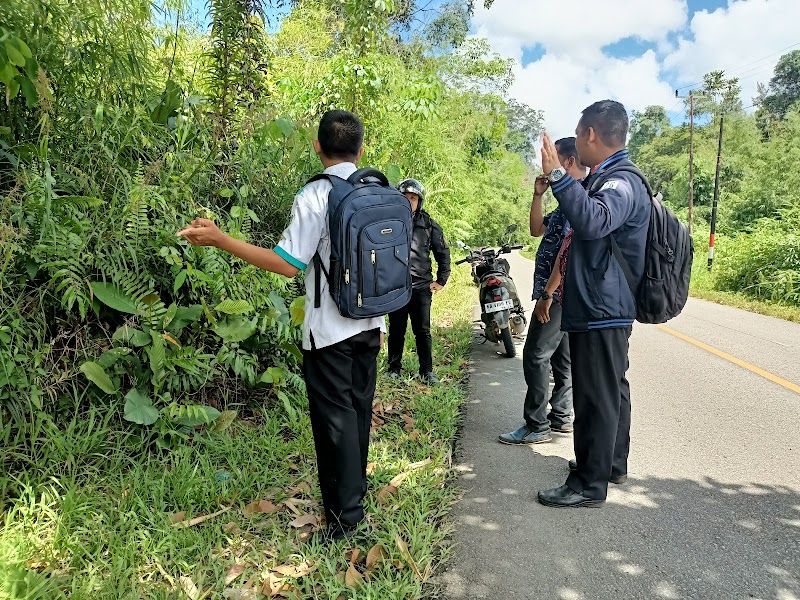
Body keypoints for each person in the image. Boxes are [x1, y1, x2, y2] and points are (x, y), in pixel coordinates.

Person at [178, 110, 386, 540]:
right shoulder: (376, 189)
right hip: (372, 324)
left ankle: (347, 523)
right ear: (361, 149)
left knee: (335, 424)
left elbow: (287, 264)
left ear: (317, 146)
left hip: (330, 330)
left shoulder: (315, 194)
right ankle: (353, 499)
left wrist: (221, 239)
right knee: (358, 414)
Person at [536, 100, 650, 508]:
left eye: (578, 131)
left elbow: (593, 221)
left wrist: (557, 175)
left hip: (603, 308)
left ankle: (587, 482)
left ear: (589, 135)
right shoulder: (605, 178)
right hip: (602, 306)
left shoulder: (621, 181)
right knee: (609, 391)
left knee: (594, 396)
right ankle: (611, 464)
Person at [498, 137, 585, 445]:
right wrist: (538, 195)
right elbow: (537, 230)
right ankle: (561, 417)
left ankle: (537, 425)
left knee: (535, 354)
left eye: (552, 159)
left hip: (559, 294)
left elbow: (569, 251)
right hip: (559, 294)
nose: (546, 167)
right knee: (562, 358)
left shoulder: (581, 199)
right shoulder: (566, 202)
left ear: (569, 163)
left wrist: (548, 295)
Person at [387, 178, 451, 385]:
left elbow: (443, 253)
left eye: (413, 198)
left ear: (419, 201)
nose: (409, 201)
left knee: (422, 331)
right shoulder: (388, 223)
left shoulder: (429, 225)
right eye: (405, 197)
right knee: (396, 330)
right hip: (395, 286)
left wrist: (441, 280)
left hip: (421, 286)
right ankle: (394, 368)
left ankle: (427, 371)